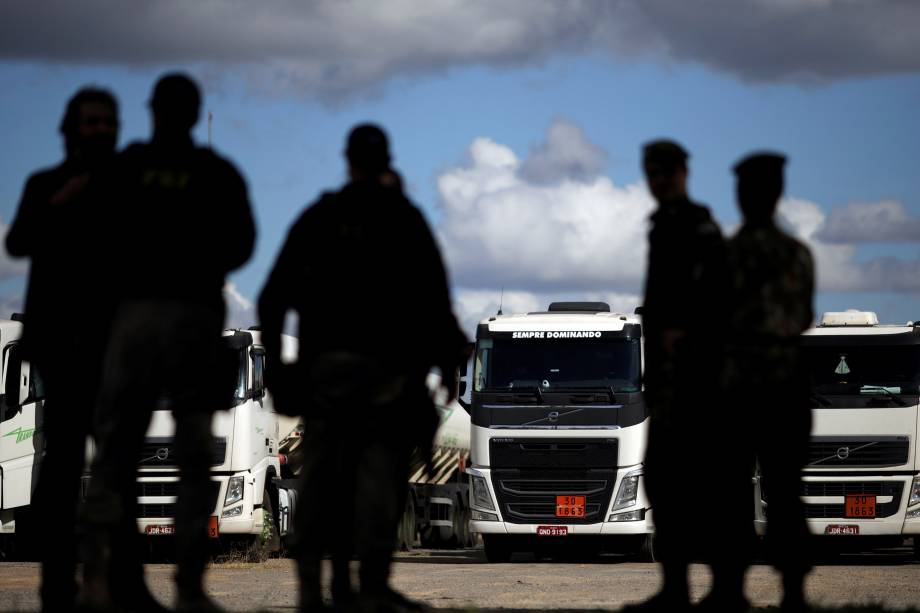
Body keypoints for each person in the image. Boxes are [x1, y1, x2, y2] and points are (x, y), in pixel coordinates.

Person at [258, 124, 468, 613]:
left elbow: (272, 297)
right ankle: (370, 583)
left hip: (329, 379)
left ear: (348, 161)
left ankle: (315, 587)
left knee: (323, 480)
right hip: (387, 383)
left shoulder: (320, 217)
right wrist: (448, 369)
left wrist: (280, 375)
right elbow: (437, 303)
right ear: (386, 160)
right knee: (380, 481)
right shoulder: (405, 218)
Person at [81, 73, 255, 613]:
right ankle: (187, 584)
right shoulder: (215, 172)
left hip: (134, 318)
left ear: (152, 110)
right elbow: (243, 241)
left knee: (117, 453)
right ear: (193, 111)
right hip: (192, 318)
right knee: (194, 456)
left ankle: (106, 581)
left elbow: (93, 232)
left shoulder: (125, 168)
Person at [6, 87, 119, 613]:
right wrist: (61, 202)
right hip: (60, 348)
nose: (98, 130)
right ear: (70, 128)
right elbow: (18, 243)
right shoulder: (44, 184)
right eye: (89, 121)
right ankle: (56, 582)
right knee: (60, 468)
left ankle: (110, 578)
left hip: (114, 345)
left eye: (106, 121)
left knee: (116, 467)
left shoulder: (126, 187)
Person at [630, 140, 731, 612]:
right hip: (670, 383)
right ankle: (676, 588)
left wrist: (685, 334)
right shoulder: (661, 226)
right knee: (664, 481)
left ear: (685, 172)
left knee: (706, 484)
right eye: (653, 171)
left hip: (698, 380)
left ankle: (724, 588)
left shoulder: (698, 226)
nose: (660, 179)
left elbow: (717, 297)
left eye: (667, 170)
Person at [725, 153, 814, 613]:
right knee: (783, 492)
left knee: (736, 491)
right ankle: (793, 590)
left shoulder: (730, 255)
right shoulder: (797, 254)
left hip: (742, 392)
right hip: (785, 392)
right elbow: (802, 317)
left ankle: (733, 588)